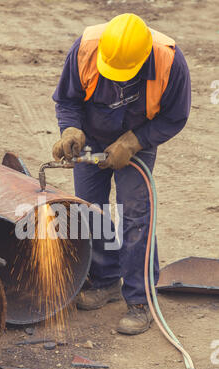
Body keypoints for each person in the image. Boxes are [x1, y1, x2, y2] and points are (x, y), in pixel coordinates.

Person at [52, 13, 191, 335]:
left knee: (135, 215)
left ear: (144, 59)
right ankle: (106, 279)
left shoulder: (170, 60)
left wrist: (133, 142)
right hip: (92, 135)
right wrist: (70, 128)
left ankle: (140, 299)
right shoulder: (86, 47)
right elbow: (68, 98)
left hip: (138, 141)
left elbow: (175, 117)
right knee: (89, 209)